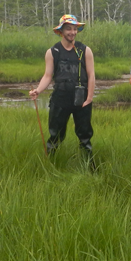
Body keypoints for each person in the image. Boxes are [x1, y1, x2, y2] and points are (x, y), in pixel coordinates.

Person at [29, 15, 96, 163]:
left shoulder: (85, 50)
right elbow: (48, 75)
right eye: (68, 29)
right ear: (61, 31)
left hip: (82, 98)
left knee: (85, 134)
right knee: (55, 134)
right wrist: (38, 91)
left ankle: (89, 165)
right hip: (60, 97)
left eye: (74, 29)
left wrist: (89, 98)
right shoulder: (53, 52)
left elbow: (91, 76)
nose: (72, 32)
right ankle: (51, 163)